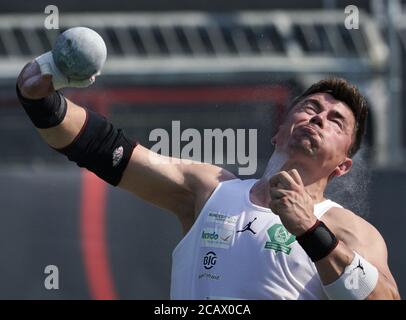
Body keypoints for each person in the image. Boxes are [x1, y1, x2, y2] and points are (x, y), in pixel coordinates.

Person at [16, 52, 400, 300]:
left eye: (335, 121)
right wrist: (42, 102)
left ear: (343, 166)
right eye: (311, 107)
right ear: (279, 129)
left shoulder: (350, 231)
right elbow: (106, 150)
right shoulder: (211, 189)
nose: (318, 117)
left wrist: (309, 230)